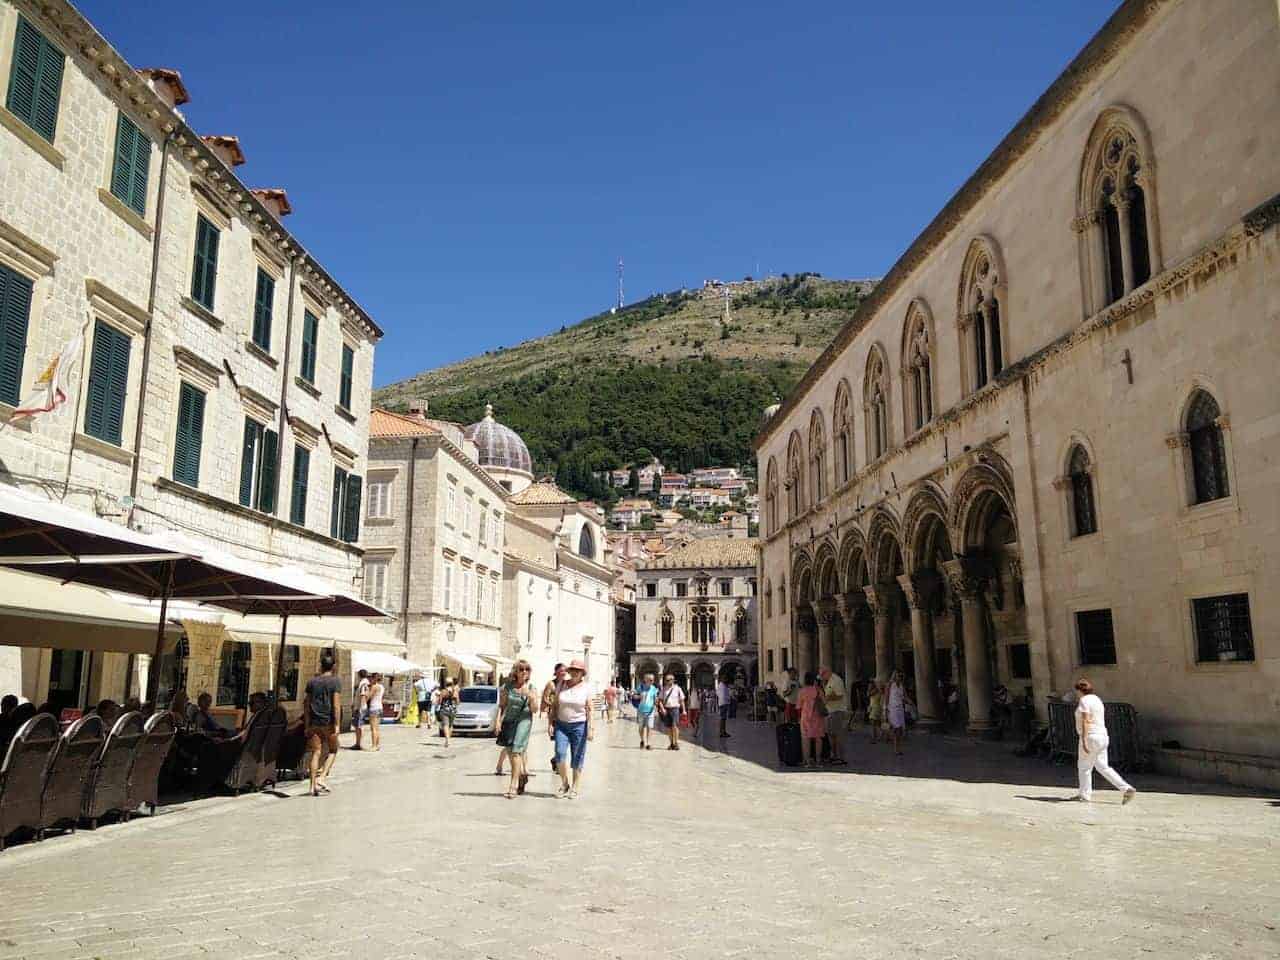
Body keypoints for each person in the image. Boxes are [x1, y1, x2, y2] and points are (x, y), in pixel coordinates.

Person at [1073, 678, 1136, 804]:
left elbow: (1086, 719)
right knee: (1103, 766)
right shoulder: (1097, 699)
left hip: (1090, 736)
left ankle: (1085, 794)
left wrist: (1084, 740)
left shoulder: (1084, 701)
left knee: (1084, 767)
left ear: (1080, 690)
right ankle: (1126, 788)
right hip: (1102, 735)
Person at [550, 659, 594, 798]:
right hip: (561, 725)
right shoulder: (562, 685)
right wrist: (550, 723)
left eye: (578, 671)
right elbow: (555, 705)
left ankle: (575, 786)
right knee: (559, 754)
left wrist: (591, 728)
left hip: (579, 725)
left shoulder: (586, 688)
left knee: (577, 756)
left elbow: (590, 709)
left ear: (582, 674)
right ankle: (564, 783)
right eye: (573, 670)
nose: (575, 673)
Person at [496, 661, 537, 799]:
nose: (524, 671)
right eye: (521, 669)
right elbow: (502, 706)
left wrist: (531, 697)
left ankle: (512, 785)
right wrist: (498, 722)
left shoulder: (531, 687)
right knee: (509, 751)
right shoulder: (507, 686)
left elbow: (535, 710)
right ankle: (521, 776)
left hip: (524, 720)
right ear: (516, 671)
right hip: (509, 720)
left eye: (527, 669)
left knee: (516, 751)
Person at [302, 656, 341, 797]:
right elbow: (336, 705)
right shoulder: (335, 682)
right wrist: (337, 724)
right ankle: (322, 777)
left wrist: (307, 724)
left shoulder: (312, 682)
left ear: (321, 665)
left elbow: (306, 704)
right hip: (328, 721)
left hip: (314, 722)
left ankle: (312, 786)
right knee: (333, 750)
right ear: (333, 666)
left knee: (316, 752)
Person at [797, 671, 827, 768]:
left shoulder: (802, 691)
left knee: (806, 739)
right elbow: (824, 702)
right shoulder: (819, 690)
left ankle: (807, 761)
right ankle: (818, 761)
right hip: (818, 717)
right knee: (818, 738)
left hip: (806, 717)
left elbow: (799, 706)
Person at [819, 667, 849, 765]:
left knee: (838, 735)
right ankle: (834, 755)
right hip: (831, 711)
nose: (822, 678)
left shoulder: (836, 680)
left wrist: (826, 698)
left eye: (823, 675)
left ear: (827, 672)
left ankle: (840, 757)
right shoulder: (829, 681)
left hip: (837, 711)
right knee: (831, 734)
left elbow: (839, 695)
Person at [542, 663, 566, 771]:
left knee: (565, 741)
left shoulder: (566, 684)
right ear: (555, 672)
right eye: (561, 670)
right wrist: (553, 704)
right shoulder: (551, 684)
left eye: (564, 670)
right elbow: (545, 698)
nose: (563, 672)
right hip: (554, 715)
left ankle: (555, 759)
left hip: (565, 715)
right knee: (558, 740)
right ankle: (558, 763)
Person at [659, 674, 686, 750]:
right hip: (667, 709)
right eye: (666, 680)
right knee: (669, 728)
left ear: (673, 680)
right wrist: (663, 709)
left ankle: (676, 743)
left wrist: (684, 710)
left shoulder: (678, 689)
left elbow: (681, 700)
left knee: (675, 727)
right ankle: (671, 743)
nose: (666, 682)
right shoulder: (664, 689)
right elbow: (660, 701)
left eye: (668, 680)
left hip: (675, 709)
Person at [633, 672, 659, 750]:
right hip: (641, 711)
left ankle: (648, 743)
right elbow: (634, 696)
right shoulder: (640, 687)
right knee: (641, 727)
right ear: (645, 680)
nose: (652, 681)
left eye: (653, 680)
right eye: (650, 680)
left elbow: (655, 700)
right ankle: (642, 740)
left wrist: (656, 707)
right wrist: (638, 696)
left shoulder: (654, 688)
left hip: (650, 711)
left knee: (649, 727)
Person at [885, 671, 907, 755]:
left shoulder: (902, 686)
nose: (900, 677)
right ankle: (896, 749)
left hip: (900, 709)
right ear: (894, 676)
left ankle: (898, 747)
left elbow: (905, 697)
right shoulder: (890, 685)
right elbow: (886, 698)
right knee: (897, 729)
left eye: (902, 676)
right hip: (892, 709)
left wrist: (911, 703)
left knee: (900, 730)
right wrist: (885, 710)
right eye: (899, 675)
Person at [436, 678, 458, 748]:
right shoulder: (455, 691)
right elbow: (458, 702)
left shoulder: (443, 691)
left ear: (446, 684)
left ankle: (447, 740)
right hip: (453, 710)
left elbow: (439, 702)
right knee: (450, 725)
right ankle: (449, 740)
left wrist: (438, 698)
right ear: (452, 684)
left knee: (445, 725)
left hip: (444, 709)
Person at [365, 673, 384, 750]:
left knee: (373, 728)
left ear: (374, 678)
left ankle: (374, 746)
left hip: (374, 708)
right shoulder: (382, 687)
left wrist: (367, 690)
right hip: (380, 707)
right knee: (377, 728)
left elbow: (368, 697)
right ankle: (377, 745)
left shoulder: (374, 687)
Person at [352, 669, 370, 750]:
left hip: (360, 707)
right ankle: (358, 743)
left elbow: (363, 696)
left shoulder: (363, 683)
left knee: (360, 726)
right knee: (357, 726)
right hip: (359, 707)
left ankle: (360, 744)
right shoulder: (364, 683)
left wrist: (361, 708)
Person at [715, 674, 734, 738]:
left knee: (723, 718)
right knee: (723, 718)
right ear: (723, 679)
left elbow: (718, 694)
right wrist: (728, 699)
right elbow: (723, 695)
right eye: (725, 679)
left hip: (722, 703)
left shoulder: (721, 685)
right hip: (724, 704)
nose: (726, 680)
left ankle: (723, 731)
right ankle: (722, 732)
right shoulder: (722, 686)